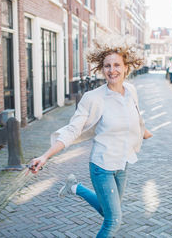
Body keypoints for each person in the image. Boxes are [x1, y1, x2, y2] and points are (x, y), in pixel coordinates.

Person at [28, 36, 153, 238]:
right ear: (101, 69)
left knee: (107, 210)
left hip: (123, 163)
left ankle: (74, 187)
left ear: (126, 68)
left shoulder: (131, 91)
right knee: (113, 221)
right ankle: (75, 187)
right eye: (107, 66)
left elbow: (136, 115)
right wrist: (45, 156)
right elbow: (72, 130)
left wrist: (143, 132)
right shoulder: (93, 98)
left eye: (117, 65)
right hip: (102, 166)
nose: (112, 70)